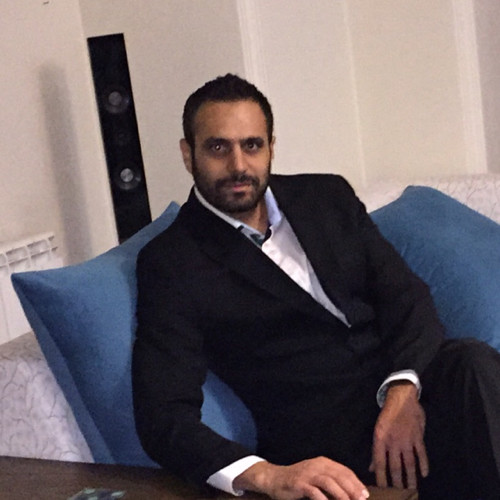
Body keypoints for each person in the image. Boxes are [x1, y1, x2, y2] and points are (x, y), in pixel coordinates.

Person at [132, 74, 500, 500]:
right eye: (218, 148)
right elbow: (163, 414)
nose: (238, 166)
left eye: (252, 145)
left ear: (271, 147)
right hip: (330, 447)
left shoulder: (326, 197)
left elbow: (406, 297)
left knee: (472, 363)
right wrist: (267, 475)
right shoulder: (172, 262)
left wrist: (403, 389)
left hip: (410, 398)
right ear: (187, 153)